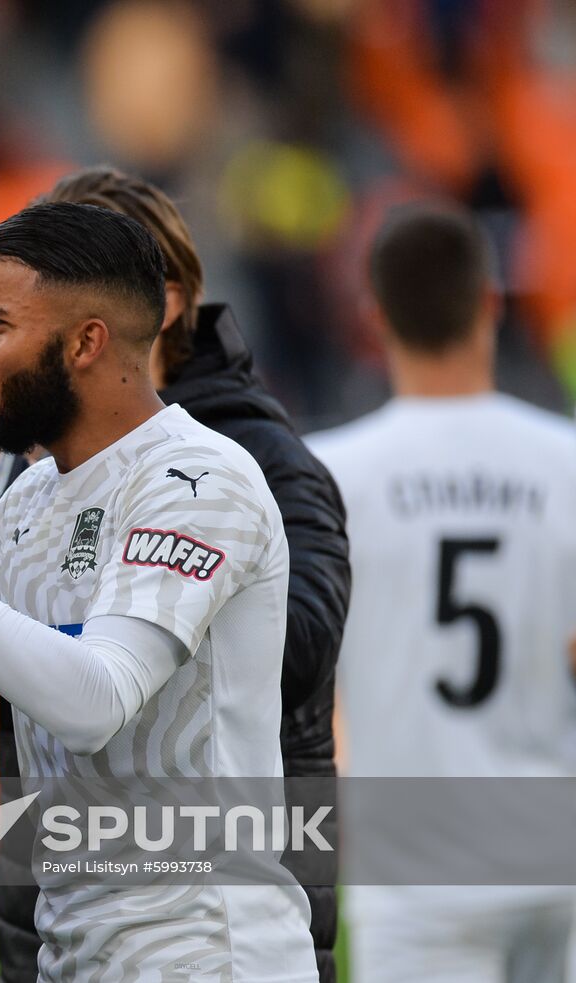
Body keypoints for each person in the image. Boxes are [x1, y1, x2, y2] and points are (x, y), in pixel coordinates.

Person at [0, 201, 319, 981]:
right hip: (79, 956)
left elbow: (95, 701)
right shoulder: (32, 497)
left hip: (206, 950)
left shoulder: (198, 478)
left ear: (87, 342)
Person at [0, 165, 348, 982]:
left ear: (158, 301)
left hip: (210, 911)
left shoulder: (242, 462)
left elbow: (296, 648)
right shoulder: (39, 469)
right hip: (67, 905)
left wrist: (146, 604)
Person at [308, 202, 576, 983]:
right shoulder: (566, 460)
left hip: (418, 864)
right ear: (490, 302)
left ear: (376, 316)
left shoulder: (327, 476)